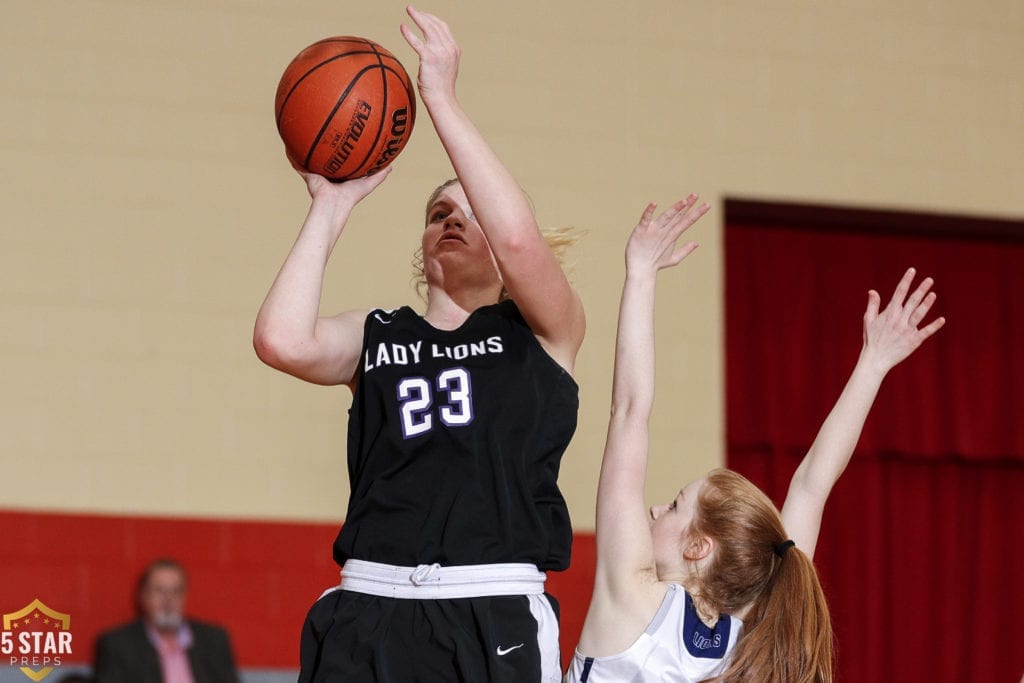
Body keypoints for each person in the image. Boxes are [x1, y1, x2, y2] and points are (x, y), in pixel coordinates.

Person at [253, 7, 585, 682]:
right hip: (367, 606)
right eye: (439, 213)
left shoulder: (545, 331)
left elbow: (519, 239)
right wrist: (331, 204)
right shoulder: (378, 336)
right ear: (423, 245)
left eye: (473, 213)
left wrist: (439, 99)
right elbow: (280, 339)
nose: (452, 221)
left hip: (488, 609)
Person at [565, 197, 945, 683]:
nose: (657, 509)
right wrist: (872, 365)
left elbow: (629, 414)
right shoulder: (753, 633)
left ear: (699, 546)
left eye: (678, 505)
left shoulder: (633, 599)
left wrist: (641, 274)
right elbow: (812, 485)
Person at [93, 558, 239, 683]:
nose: (168, 600)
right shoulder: (117, 645)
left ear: (185, 597)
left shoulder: (214, 641)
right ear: (143, 596)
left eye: (176, 591)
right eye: (159, 591)